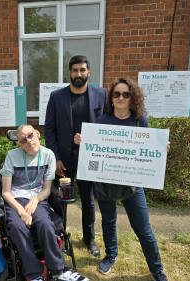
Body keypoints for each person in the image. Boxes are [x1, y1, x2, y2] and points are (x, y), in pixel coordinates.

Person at [74, 77, 169, 281]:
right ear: (111, 97)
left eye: (125, 94)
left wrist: (161, 149)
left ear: (132, 97)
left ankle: (156, 269)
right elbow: (94, 151)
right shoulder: (101, 121)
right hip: (106, 182)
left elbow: (147, 150)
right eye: (116, 94)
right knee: (108, 221)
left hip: (132, 183)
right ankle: (111, 255)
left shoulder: (139, 120)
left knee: (143, 228)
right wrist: (82, 142)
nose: (120, 98)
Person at [0, 124, 89, 281]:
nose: (29, 141)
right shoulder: (12, 156)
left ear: (37, 134)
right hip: (16, 200)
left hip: (38, 198)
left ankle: (58, 272)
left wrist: (35, 199)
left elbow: (47, 189)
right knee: (16, 227)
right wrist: (21, 211)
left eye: (30, 136)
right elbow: (6, 192)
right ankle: (34, 274)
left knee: (45, 224)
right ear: (20, 144)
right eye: (23, 140)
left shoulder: (48, 155)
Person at [44, 55, 106, 257]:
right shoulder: (57, 96)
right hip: (65, 159)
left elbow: (110, 126)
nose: (78, 74)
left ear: (89, 72)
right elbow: (50, 130)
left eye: (82, 70)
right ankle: (59, 237)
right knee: (60, 200)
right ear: (69, 73)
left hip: (90, 159)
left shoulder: (102, 95)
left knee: (88, 200)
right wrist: (56, 158)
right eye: (74, 70)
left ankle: (89, 239)